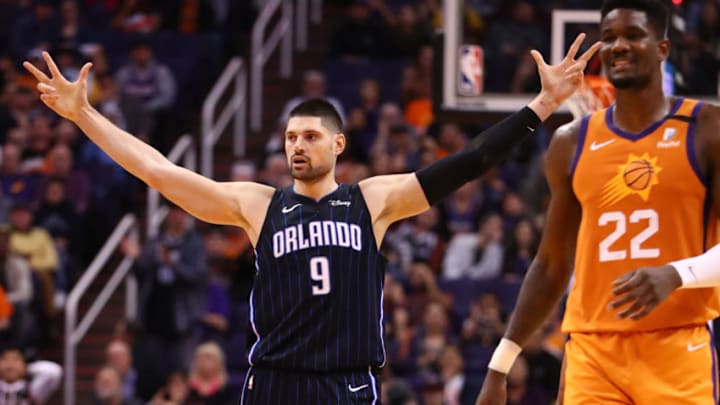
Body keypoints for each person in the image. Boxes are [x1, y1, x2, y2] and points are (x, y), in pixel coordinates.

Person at [23, 33, 598, 403]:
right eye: (290, 137)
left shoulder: (374, 200)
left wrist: (542, 106)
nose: (297, 146)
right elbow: (159, 172)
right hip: (275, 383)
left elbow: (468, 162)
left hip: (347, 384)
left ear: (338, 144)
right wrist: (85, 117)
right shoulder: (257, 204)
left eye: (311, 136)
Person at [476, 1, 720, 404]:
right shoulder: (571, 143)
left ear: (662, 48)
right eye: (608, 38)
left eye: (632, 35)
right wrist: (500, 364)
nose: (618, 46)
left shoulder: (707, 129)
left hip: (677, 345)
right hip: (593, 353)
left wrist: (678, 273)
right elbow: (552, 264)